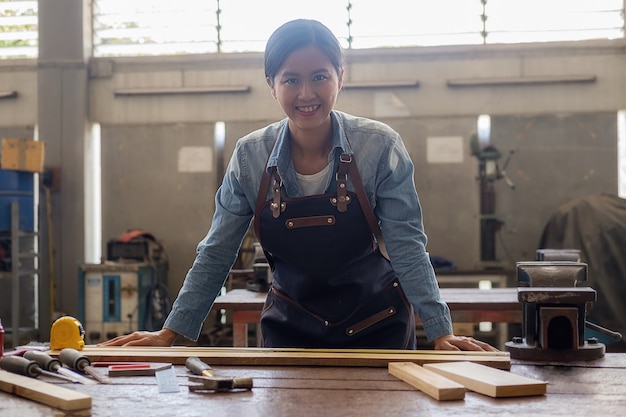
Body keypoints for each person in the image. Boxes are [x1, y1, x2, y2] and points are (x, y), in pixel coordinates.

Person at [100, 19, 497, 352]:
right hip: (289, 334)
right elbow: (216, 252)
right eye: (291, 79)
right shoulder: (249, 158)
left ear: (341, 77)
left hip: (378, 333)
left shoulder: (379, 147)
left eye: (319, 76)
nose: (306, 93)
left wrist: (441, 330)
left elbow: (408, 246)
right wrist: (175, 331)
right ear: (272, 83)